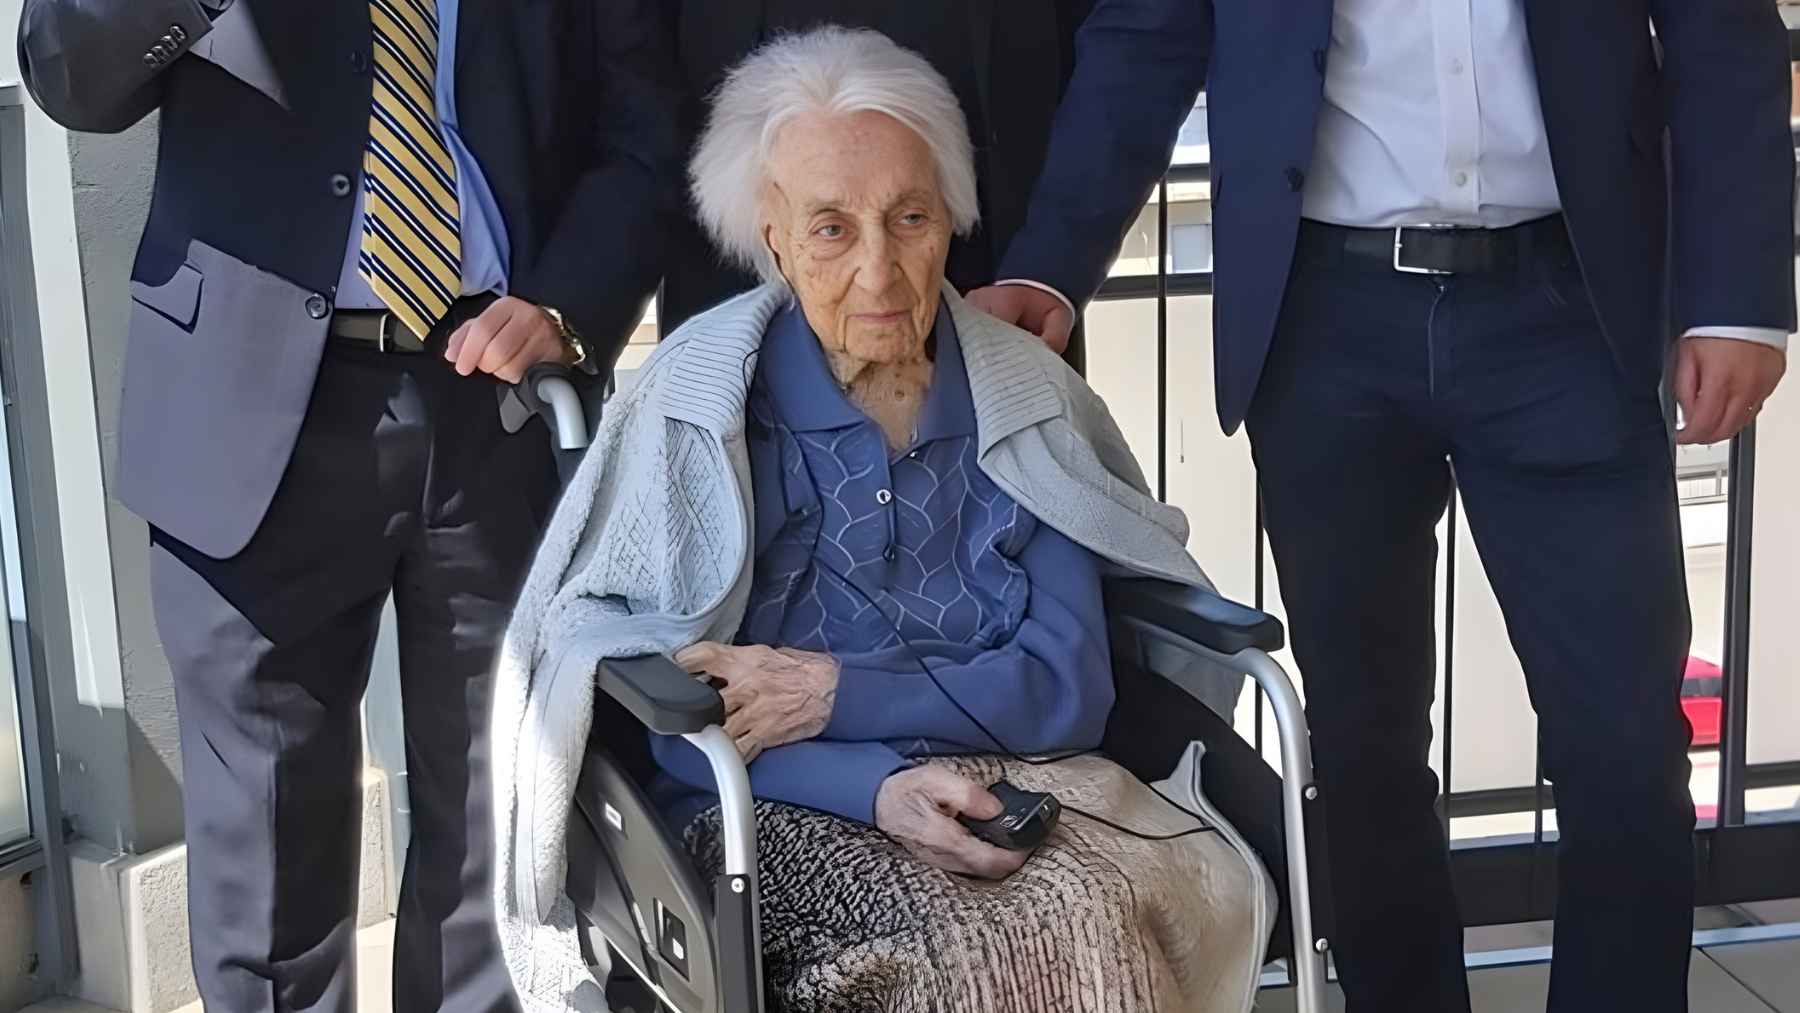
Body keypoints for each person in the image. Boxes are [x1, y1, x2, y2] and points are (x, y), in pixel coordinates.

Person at [967, 1, 1796, 1011]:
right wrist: (1050, 261)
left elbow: (1723, 33)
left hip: (1571, 308)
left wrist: (1736, 295)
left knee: (1624, 742)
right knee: (1364, 740)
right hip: (1324, 322)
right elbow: (1150, 33)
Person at [490, 28, 1263, 1013]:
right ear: (770, 238)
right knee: (963, 959)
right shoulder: (702, 409)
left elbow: (1069, 690)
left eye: (910, 217)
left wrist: (832, 689)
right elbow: (664, 709)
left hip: (1031, 789)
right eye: (831, 229)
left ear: (953, 216)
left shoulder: (1020, 397)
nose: (879, 268)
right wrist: (873, 785)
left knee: (1092, 916)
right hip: (770, 807)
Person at [16, 2, 683, 1010]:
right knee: (270, 892)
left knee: (499, 855)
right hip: (246, 417)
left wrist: (566, 306)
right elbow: (68, 73)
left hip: (496, 405)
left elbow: (646, 137)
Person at [661, 0, 1095, 367]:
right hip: (728, 193)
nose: (876, 275)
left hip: (998, 255)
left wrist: (1047, 266)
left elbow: (1137, 28)